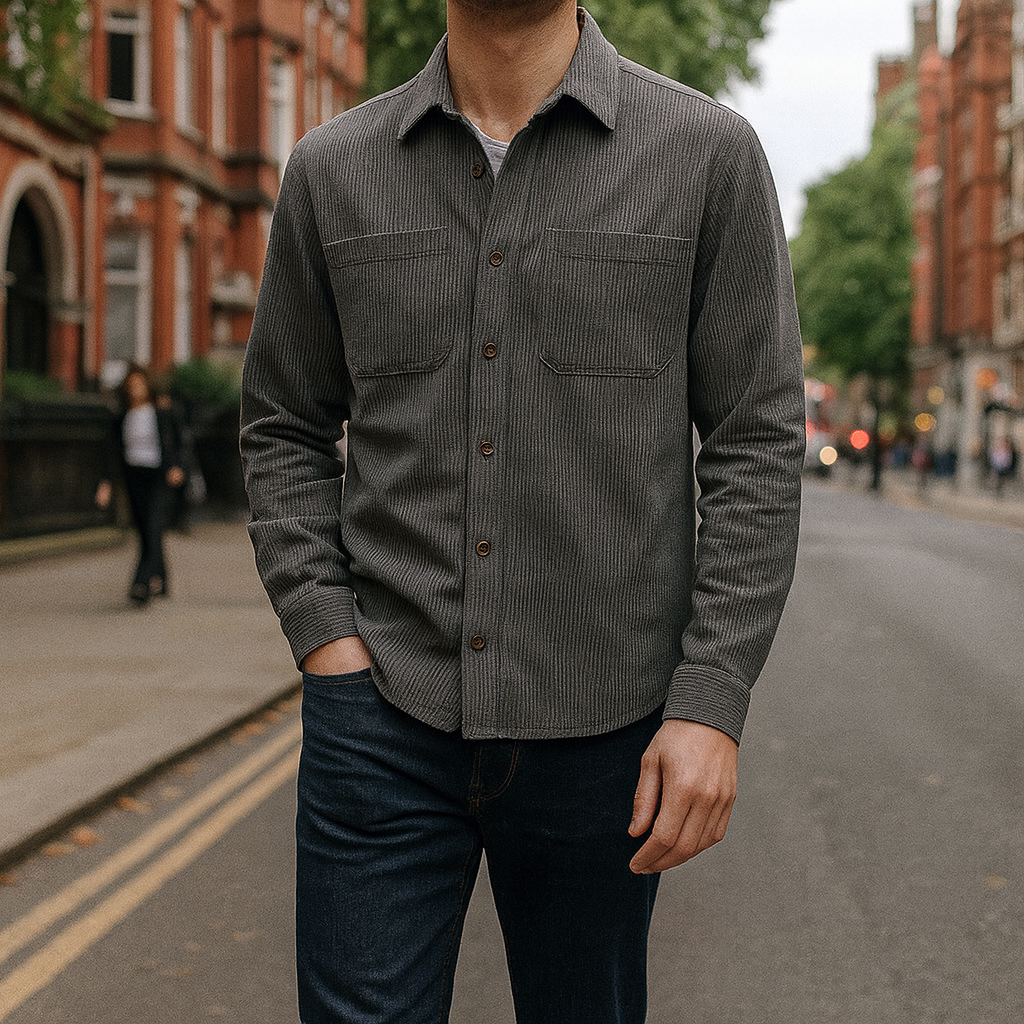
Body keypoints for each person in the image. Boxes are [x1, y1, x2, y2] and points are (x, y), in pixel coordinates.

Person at [240, 1, 805, 1020]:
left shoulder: (707, 156)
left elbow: (755, 440)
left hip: (610, 728)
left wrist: (710, 699)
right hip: (383, 717)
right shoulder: (332, 169)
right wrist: (327, 640)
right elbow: (282, 423)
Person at [96, 365, 185, 605]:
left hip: (159, 476)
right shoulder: (122, 416)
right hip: (134, 476)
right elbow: (113, 451)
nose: (135, 389)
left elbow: (177, 441)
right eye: (131, 386)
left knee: (154, 527)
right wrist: (106, 482)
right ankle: (162, 577)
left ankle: (142, 583)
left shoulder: (162, 410)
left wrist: (176, 466)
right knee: (145, 529)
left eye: (139, 384)